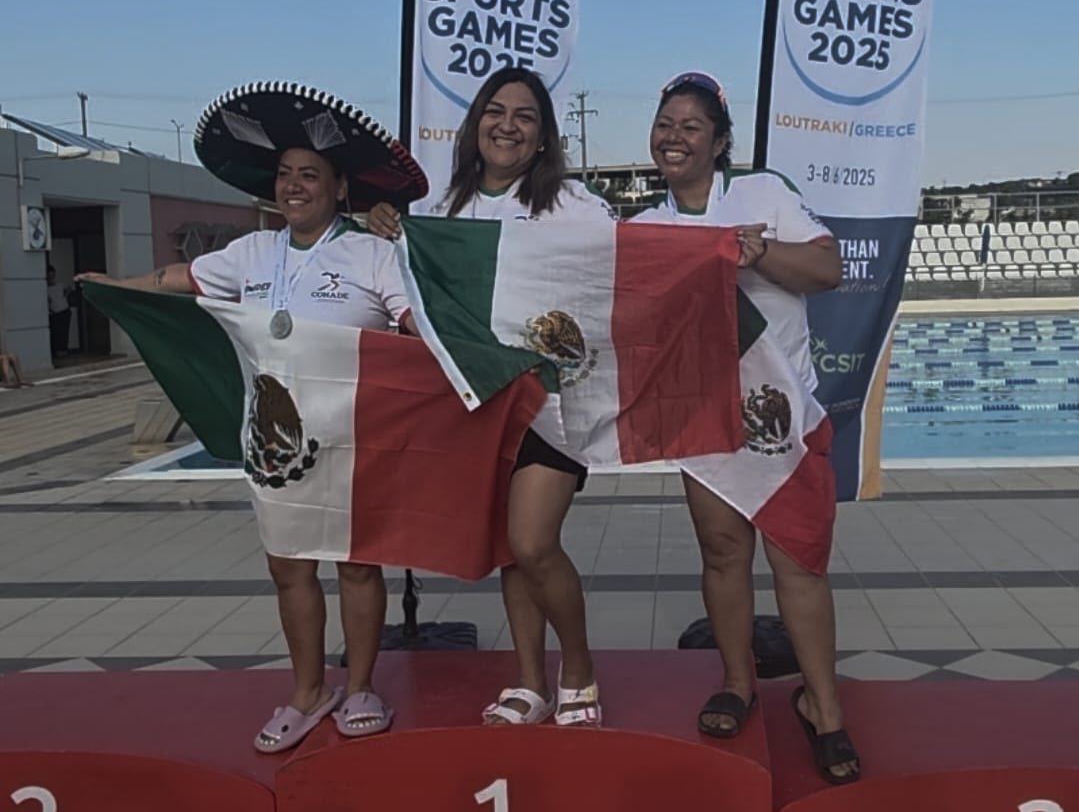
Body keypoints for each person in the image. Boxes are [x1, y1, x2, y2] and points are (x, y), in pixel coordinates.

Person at [78, 81, 428, 754]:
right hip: (276, 442)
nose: (294, 185)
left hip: (358, 435)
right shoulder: (251, 252)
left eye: (310, 174)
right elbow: (177, 280)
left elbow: (414, 321)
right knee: (290, 568)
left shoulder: (372, 252)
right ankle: (308, 692)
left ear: (339, 186)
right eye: (286, 174)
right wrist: (115, 286)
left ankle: (360, 686)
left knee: (358, 567)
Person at [368, 66, 613, 728]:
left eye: (524, 116)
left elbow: (619, 273)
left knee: (533, 542)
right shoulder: (440, 212)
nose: (507, 125)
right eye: (495, 111)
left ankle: (579, 668)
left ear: (543, 136)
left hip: (552, 405)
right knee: (510, 549)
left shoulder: (572, 204)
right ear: (475, 123)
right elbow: (414, 303)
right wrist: (388, 228)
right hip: (477, 406)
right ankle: (529, 682)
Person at [634, 70, 859, 784]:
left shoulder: (762, 193)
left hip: (782, 416)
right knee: (723, 552)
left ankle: (822, 705)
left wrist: (755, 251)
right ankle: (737, 682)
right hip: (703, 416)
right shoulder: (642, 228)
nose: (673, 137)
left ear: (719, 141)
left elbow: (827, 268)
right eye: (664, 124)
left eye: (690, 126)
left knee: (799, 562)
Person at [47, 266, 72, 359]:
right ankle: (58, 351)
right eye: (49, 275)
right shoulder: (45, 288)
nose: (51, 277)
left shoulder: (60, 285)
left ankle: (64, 350)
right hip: (55, 312)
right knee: (56, 333)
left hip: (65, 310)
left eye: (52, 275)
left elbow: (68, 289)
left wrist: (66, 296)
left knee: (64, 332)